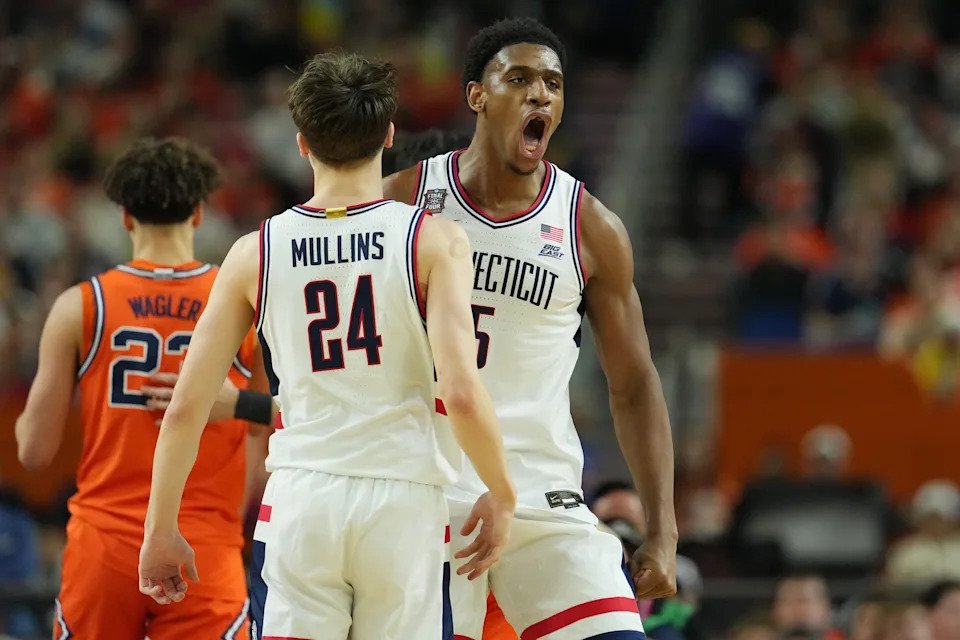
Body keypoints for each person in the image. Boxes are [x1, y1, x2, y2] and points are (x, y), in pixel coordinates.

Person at [137, 52, 516, 640]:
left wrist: (160, 528)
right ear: (388, 136)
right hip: (403, 502)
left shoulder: (254, 251)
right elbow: (462, 395)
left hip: (301, 499)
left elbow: (187, 406)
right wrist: (502, 492)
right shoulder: (433, 240)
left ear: (301, 144)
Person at [383, 17, 677, 639]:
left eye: (553, 83)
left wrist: (663, 529)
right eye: (518, 79)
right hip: (427, 487)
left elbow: (633, 385)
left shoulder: (590, 226)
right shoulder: (403, 200)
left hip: (542, 493)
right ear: (477, 95)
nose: (540, 93)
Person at [14, 137, 262, 639]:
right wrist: (229, 514)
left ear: (126, 217)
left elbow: (34, 451)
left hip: (104, 544)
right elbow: (272, 422)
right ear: (198, 214)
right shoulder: (240, 302)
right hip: (201, 542)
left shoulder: (81, 305)